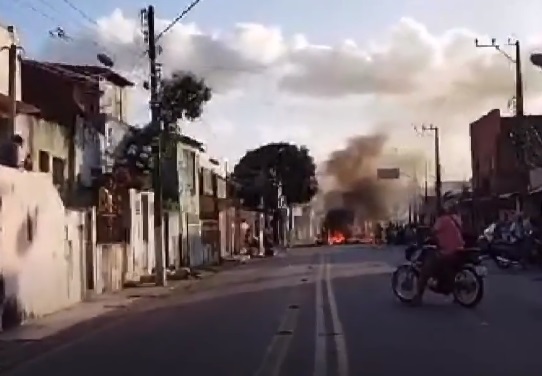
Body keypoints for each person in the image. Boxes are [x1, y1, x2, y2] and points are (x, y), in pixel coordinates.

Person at [414, 197, 465, 305]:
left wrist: (427, 234)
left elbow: (433, 231)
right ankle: (455, 292)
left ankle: (418, 297)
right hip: (460, 250)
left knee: (426, 269)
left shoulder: (442, 220)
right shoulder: (455, 218)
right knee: (447, 268)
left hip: (448, 251)